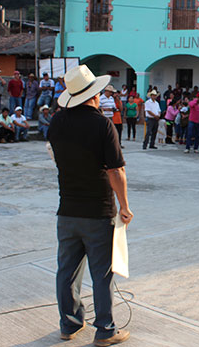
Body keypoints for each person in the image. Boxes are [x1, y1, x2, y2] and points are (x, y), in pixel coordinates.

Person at [47, 65, 132, 346]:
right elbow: (115, 171)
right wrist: (124, 206)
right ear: (94, 95)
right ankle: (105, 329)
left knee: (66, 271)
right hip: (98, 210)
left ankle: (68, 324)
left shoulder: (57, 122)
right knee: (102, 273)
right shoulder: (102, 124)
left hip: (67, 209)